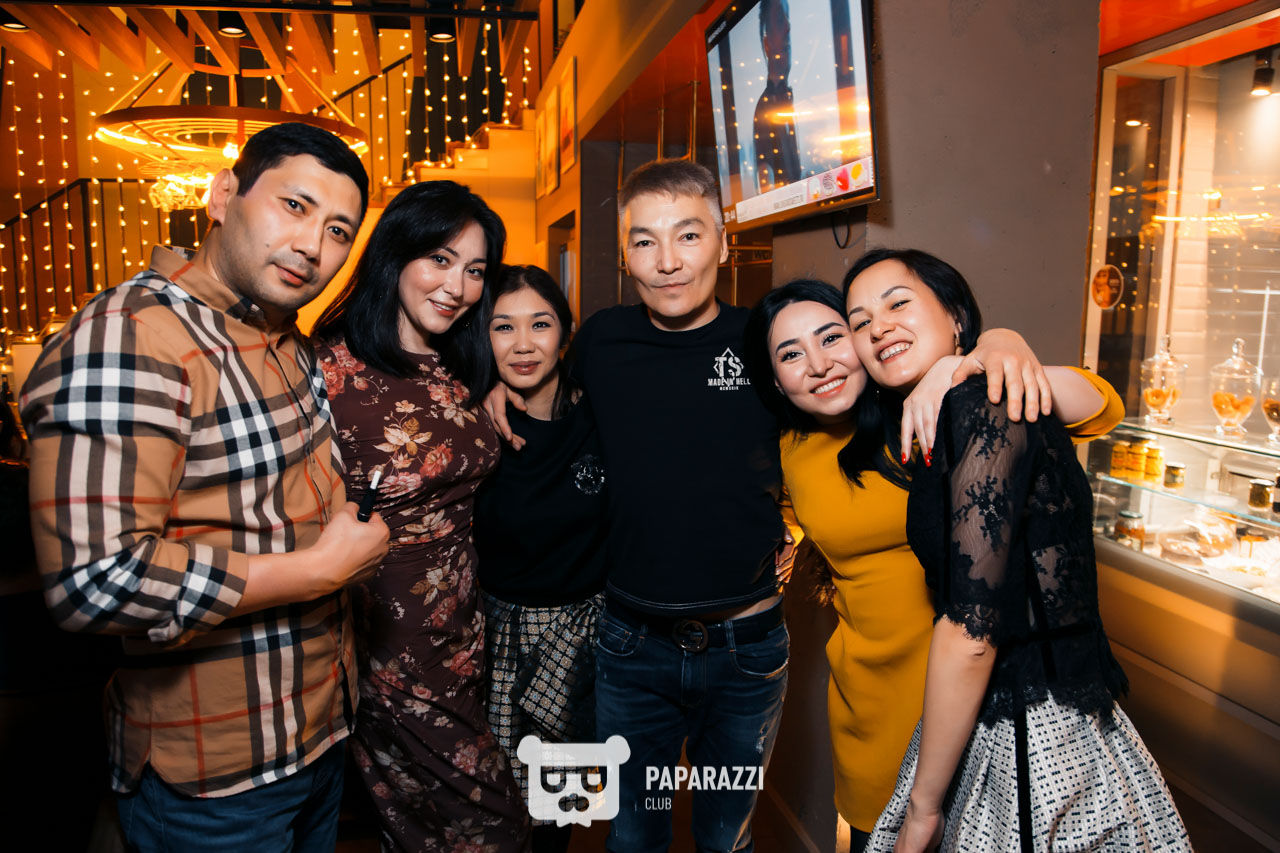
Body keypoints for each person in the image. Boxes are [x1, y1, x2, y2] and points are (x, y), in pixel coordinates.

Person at [20, 122, 391, 851]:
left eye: (338, 231)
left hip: (316, 737)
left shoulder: (283, 337)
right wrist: (316, 572)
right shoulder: (130, 335)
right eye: (294, 206)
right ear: (223, 196)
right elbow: (94, 581)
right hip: (217, 777)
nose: (312, 245)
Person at [742, 277, 1125, 852]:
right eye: (791, 354)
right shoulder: (790, 450)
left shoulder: (933, 409)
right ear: (775, 379)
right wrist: (785, 539)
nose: (819, 364)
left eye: (832, 337)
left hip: (977, 704)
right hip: (870, 709)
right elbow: (794, 517)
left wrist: (991, 349)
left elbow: (1102, 406)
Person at [486, 159, 795, 853]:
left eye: (688, 235)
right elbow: (546, 393)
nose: (667, 261)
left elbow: (838, 414)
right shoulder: (602, 341)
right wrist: (490, 385)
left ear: (723, 242)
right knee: (631, 837)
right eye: (644, 240)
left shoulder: (766, 340)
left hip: (745, 649)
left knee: (725, 838)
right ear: (625, 255)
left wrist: (986, 349)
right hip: (631, 647)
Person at [842, 249, 1189, 851]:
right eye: (860, 321)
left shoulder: (978, 403)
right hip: (1053, 722)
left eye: (898, 303)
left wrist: (923, 810)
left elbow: (973, 631)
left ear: (955, 316)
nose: (879, 328)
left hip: (1031, 740)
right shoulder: (942, 415)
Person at [311, 180, 529, 853]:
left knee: (426, 835)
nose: (457, 287)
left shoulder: (459, 360)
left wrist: (495, 386)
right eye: (439, 258)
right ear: (394, 254)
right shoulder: (327, 369)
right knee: (494, 828)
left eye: (475, 270)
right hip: (389, 650)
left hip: (464, 635)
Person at [472, 264, 609, 853]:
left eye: (540, 324)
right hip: (496, 638)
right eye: (504, 326)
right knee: (498, 812)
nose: (523, 344)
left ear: (565, 332)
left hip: (586, 641)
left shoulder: (605, 413)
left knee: (560, 814)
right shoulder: (471, 424)